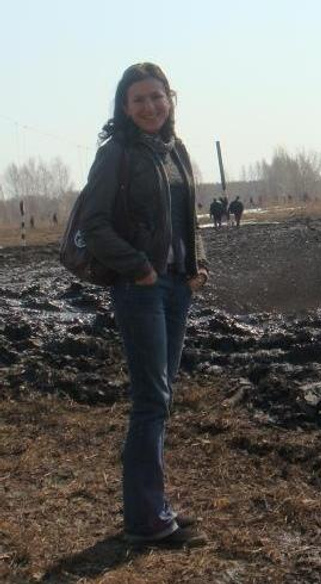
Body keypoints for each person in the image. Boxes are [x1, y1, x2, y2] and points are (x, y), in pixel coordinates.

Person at [80, 62, 209, 548]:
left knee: (161, 397)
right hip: (141, 290)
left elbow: (186, 218)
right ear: (125, 107)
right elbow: (94, 225)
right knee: (150, 401)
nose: (150, 106)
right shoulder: (116, 153)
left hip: (177, 287)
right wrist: (139, 268)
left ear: (170, 99)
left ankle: (153, 507)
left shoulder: (175, 150)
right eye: (139, 99)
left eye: (157, 96)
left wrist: (198, 265)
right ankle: (147, 521)